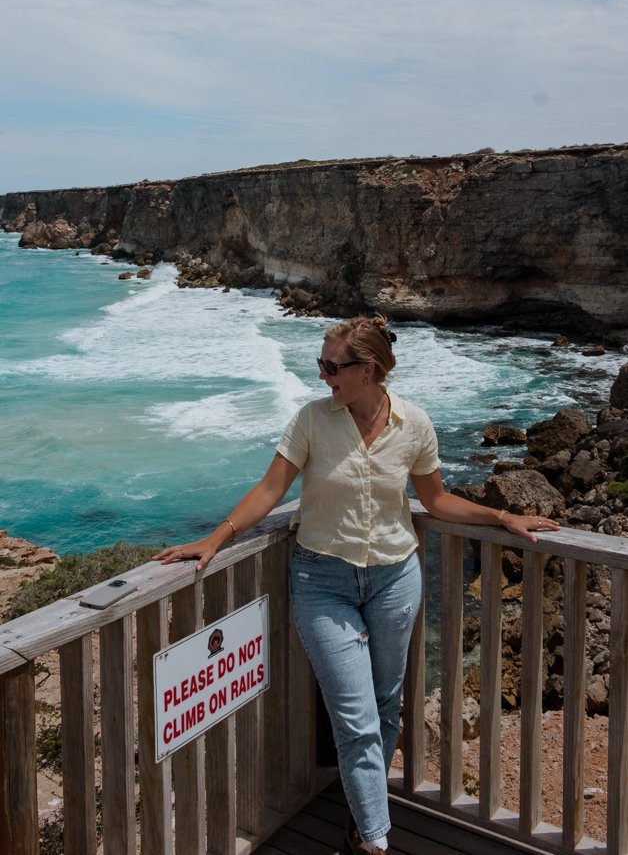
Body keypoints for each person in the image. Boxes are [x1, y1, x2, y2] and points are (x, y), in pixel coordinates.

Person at [154, 315, 560, 855]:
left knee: (386, 704)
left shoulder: (414, 424)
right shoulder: (311, 421)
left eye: (332, 366)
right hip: (321, 580)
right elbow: (272, 488)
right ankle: (375, 839)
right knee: (355, 715)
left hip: (395, 577)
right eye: (320, 364)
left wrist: (503, 518)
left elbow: (436, 501)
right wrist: (216, 537)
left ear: (367, 371)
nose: (323, 376)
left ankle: (360, 818)